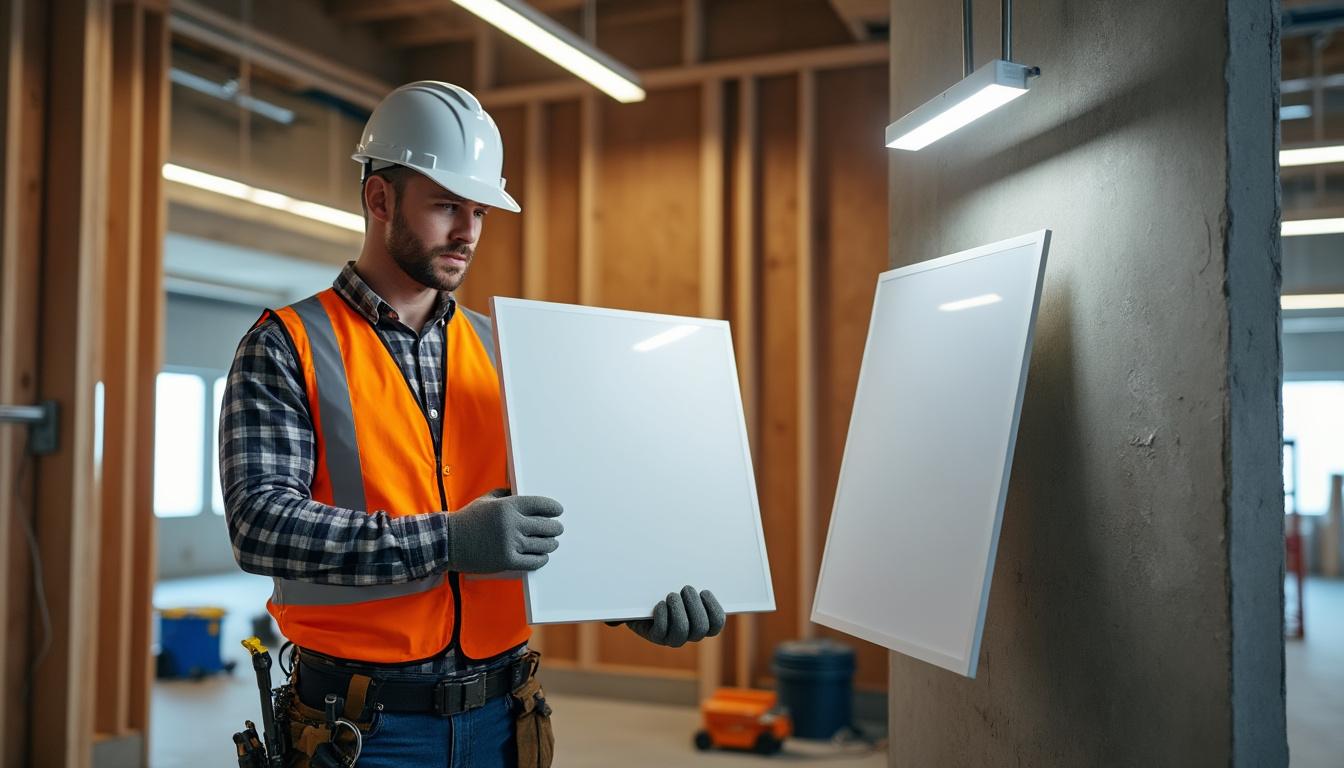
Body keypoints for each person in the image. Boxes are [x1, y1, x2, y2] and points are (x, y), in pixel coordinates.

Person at [219, 81, 726, 768]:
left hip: (504, 715)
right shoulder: (286, 343)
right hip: (360, 729)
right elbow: (260, 524)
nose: (467, 233)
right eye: (446, 207)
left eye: (479, 211)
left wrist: (626, 593)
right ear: (380, 200)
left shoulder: (505, 349)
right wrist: (449, 540)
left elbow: (554, 511)